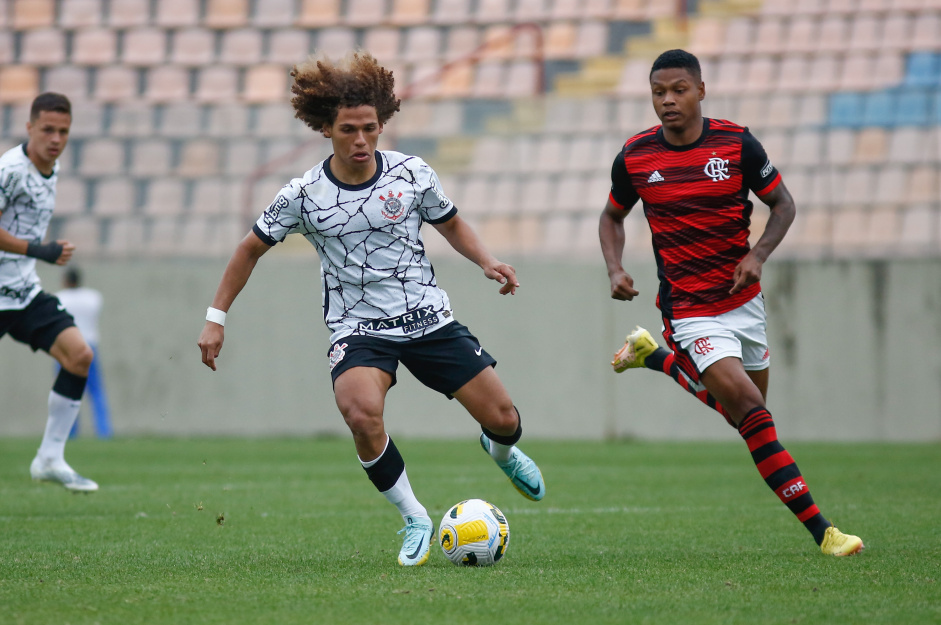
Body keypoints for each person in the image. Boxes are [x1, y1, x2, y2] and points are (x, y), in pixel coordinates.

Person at [197, 51, 545, 567]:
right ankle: (415, 518)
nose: (360, 140)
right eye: (348, 130)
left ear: (381, 125)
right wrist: (216, 317)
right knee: (360, 412)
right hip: (358, 327)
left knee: (504, 418)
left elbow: (449, 223)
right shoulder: (303, 194)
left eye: (369, 128)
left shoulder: (412, 173)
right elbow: (249, 248)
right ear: (326, 130)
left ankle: (500, 452)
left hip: (428, 319)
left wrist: (487, 261)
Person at [599, 49, 862, 556]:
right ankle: (825, 533)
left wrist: (759, 255)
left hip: (744, 302)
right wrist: (615, 267)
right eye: (659, 92)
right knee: (751, 410)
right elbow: (611, 216)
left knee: (741, 417)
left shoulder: (736, 144)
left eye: (679, 89)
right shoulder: (635, 156)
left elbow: (782, 204)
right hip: (688, 307)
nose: (668, 101)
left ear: (701, 90)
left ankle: (653, 356)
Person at [0, 92, 98, 492]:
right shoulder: (10, 170)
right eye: (47, 130)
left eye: (63, 131)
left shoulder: (50, 169)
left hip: (21, 291)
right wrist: (39, 249)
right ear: (29, 128)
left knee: (79, 355)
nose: (56, 139)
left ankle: (50, 457)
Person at [57, 267, 112, 439]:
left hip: (67, 348)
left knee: (67, 393)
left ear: (66, 280)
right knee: (96, 391)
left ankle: (69, 433)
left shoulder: (60, 298)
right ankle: (104, 431)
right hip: (89, 347)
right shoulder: (93, 297)